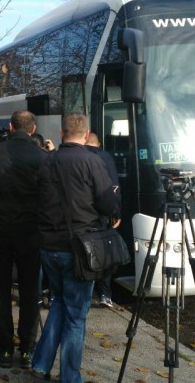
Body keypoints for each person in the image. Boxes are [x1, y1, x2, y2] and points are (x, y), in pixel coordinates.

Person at [31, 113, 121, 382]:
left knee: (59, 303)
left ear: (61, 134)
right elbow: (107, 205)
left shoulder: (47, 162)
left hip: (49, 245)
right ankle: (70, 377)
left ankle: (40, 364)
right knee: (76, 316)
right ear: (85, 135)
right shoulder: (92, 161)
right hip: (80, 249)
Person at [0, 110, 46, 369]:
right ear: (32, 129)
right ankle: (27, 347)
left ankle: (5, 347)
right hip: (30, 232)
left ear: (11, 127)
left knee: (0, 289)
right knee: (29, 291)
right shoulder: (41, 156)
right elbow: (49, 196)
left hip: (0, 230)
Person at [85, 132, 122, 308]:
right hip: (102, 213)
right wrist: (117, 212)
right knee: (104, 253)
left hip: (82, 214)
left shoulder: (80, 155)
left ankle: (87, 290)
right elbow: (114, 187)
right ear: (98, 143)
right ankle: (105, 294)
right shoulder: (105, 157)